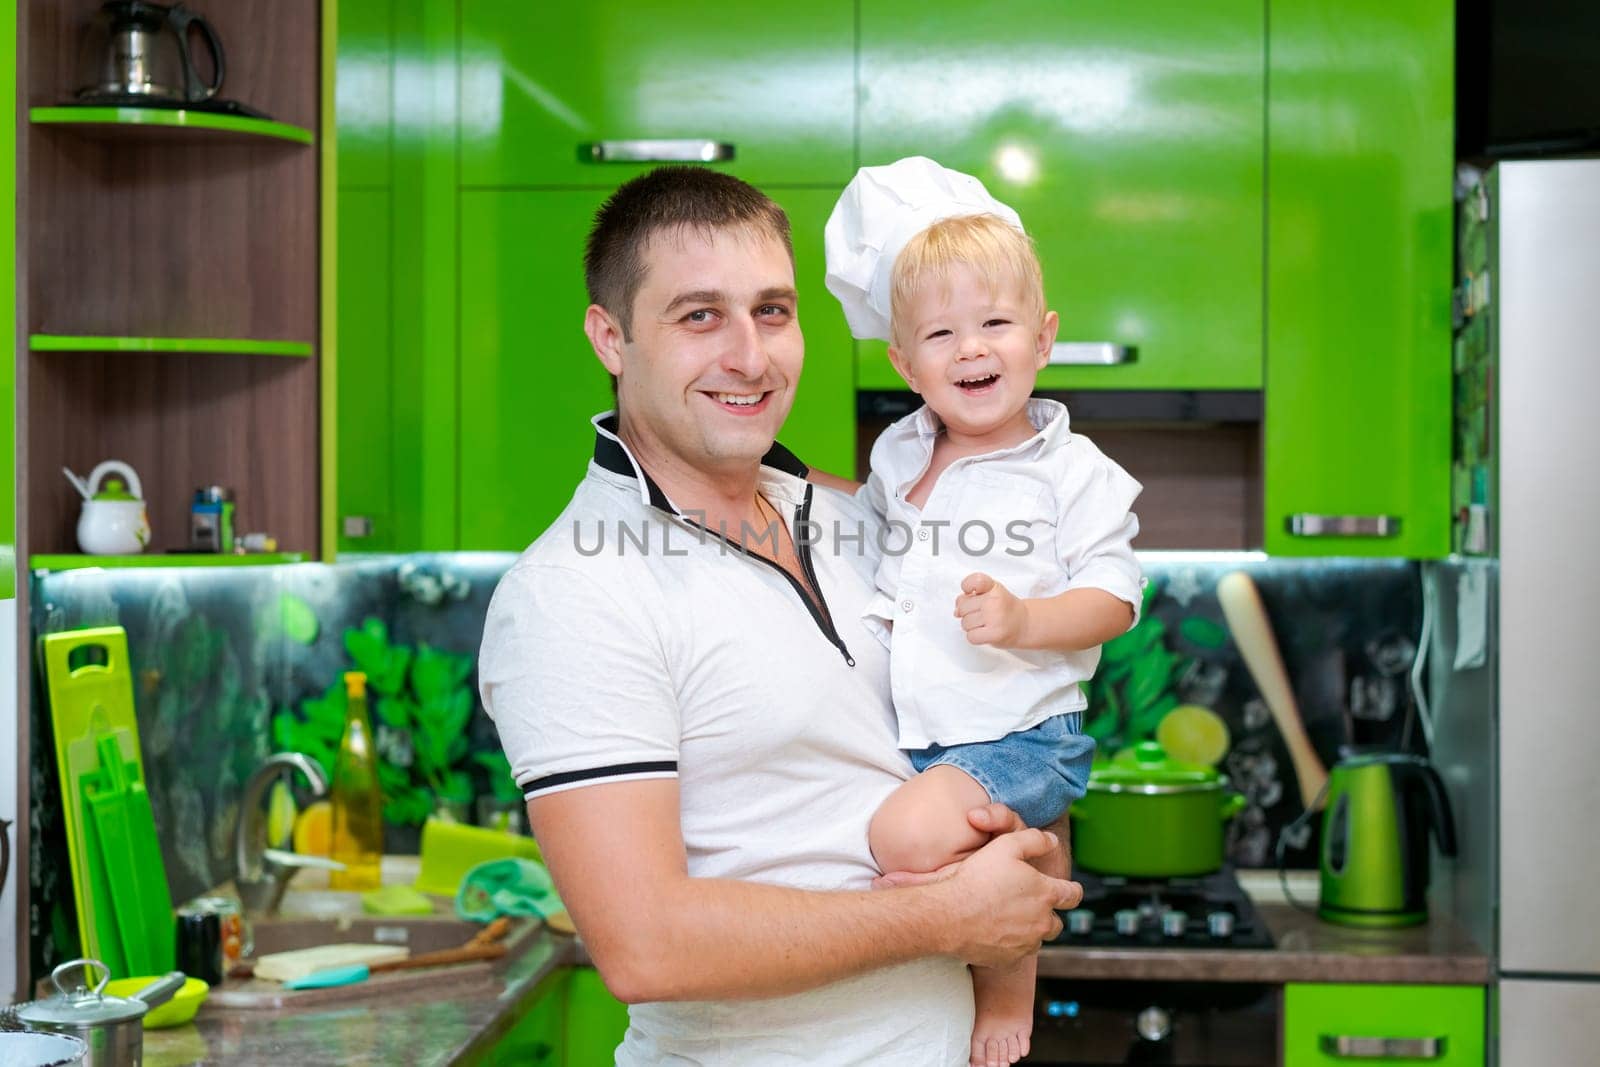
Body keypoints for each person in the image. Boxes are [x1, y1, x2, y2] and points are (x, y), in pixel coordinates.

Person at [478, 165, 1083, 1066]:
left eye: (771, 311)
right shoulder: (571, 593)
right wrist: (948, 912)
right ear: (610, 336)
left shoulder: (868, 524)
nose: (750, 357)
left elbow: (1015, 716)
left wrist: (1024, 847)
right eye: (698, 316)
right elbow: (645, 943)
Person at [824, 157, 1145, 1067]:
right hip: (922, 732)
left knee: (902, 837)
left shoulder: (1069, 471)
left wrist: (1024, 620)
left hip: (1018, 732)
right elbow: (872, 532)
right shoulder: (899, 457)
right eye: (941, 333)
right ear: (904, 361)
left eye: (996, 324)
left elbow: (1115, 599)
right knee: (907, 840)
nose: (972, 349)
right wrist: (786, 478)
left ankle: (1013, 974)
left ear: (1042, 338)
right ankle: (1032, 851)